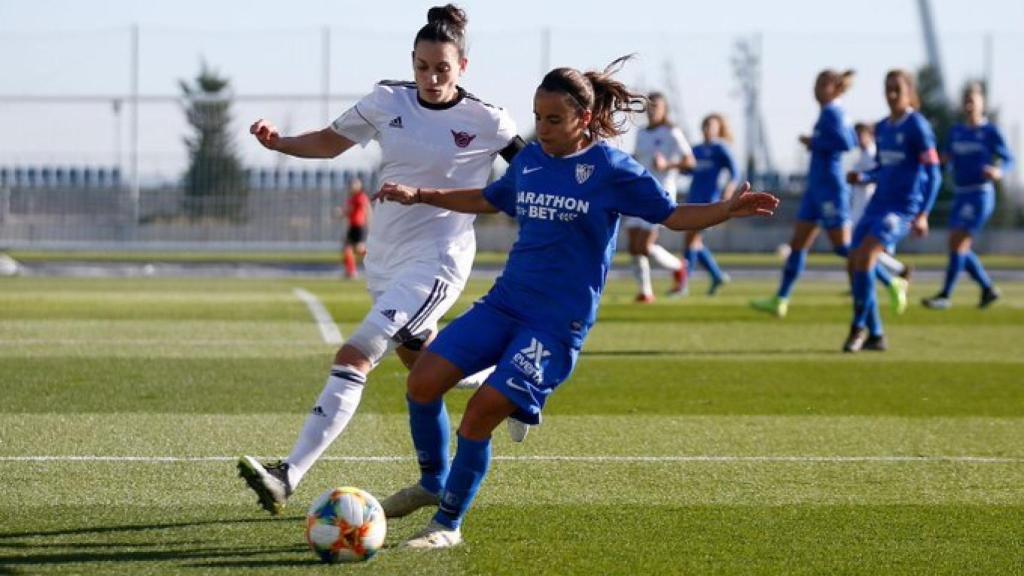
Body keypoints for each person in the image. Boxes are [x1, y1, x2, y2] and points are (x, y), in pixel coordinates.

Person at [373, 56, 779, 548]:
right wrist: (420, 194)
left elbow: (670, 216)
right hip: (505, 304)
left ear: (583, 120)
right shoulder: (529, 161)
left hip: (554, 324)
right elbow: (490, 199)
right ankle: (432, 482)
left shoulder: (611, 169)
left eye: (553, 120)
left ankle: (447, 525)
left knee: (479, 414)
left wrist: (726, 211)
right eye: (538, 117)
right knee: (422, 380)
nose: (541, 129)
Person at [237, 4, 525, 515]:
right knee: (426, 369)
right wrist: (279, 142)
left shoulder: (488, 120)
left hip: (437, 263)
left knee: (355, 355)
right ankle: (510, 385)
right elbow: (330, 143)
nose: (432, 78)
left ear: (463, 68)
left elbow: (530, 175)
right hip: (385, 259)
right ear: (411, 62)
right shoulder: (387, 100)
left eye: (443, 68)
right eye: (423, 66)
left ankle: (288, 474)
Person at [751, 70, 908, 318]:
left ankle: (891, 282)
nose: (817, 89)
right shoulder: (827, 112)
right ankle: (780, 299)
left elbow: (847, 142)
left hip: (830, 189)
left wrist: (814, 143)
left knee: (844, 248)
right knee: (797, 245)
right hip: (816, 188)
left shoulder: (835, 112)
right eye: (816, 83)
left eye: (823, 84)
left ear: (835, 88)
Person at [844, 69, 942, 352]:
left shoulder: (917, 127)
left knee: (866, 258)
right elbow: (883, 168)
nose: (891, 94)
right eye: (888, 88)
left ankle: (857, 328)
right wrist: (862, 178)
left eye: (897, 88)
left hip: (901, 209)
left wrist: (923, 213)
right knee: (853, 264)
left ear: (909, 91)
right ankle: (876, 334)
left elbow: (933, 173)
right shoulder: (884, 127)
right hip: (877, 205)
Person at [921, 83, 1013, 310]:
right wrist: (939, 161)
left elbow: (1009, 159)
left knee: (958, 242)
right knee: (957, 245)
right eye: (966, 101)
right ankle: (987, 288)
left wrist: (999, 171)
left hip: (980, 194)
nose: (970, 105)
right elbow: (948, 156)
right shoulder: (957, 132)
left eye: (973, 101)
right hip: (961, 194)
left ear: (982, 103)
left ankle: (945, 295)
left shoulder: (990, 132)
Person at [626, 92, 694, 302]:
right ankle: (645, 292)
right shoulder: (642, 133)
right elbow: (637, 160)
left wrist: (668, 165)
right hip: (639, 192)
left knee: (645, 246)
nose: (653, 110)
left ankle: (678, 266)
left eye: (657, 106)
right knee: (633, 245)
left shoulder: (672, 132)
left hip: (660, 192)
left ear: (665, 109)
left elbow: (690, 162)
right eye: (650, 106)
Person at [678, 113, 740, 296]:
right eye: (705, 126)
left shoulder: (721, 149)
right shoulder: (695, 150)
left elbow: (735, 173)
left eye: (711, 126)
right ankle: (716, 275)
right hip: (693, 200)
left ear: (718, 129)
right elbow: (689, 172)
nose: (707, 129)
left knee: (691, 240)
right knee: (694, 243)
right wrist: (680, 167)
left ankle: (683, 284)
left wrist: (729, 189)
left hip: (710, 202)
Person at [850, 123, 912, 282]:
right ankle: (896, 273)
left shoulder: (873, 154)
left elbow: (879, 175)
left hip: (870, 206)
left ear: (869, 136)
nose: (858, 140)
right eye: (856, 136)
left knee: (863, 251)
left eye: (861, 136)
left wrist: (861, 178)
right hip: (860, 207)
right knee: (862, 251)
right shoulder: (863, 155)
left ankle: (895, 275)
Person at [338, 177, 370, 279]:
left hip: (359, 226)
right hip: (352, 227)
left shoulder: (361, 197)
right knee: (347, 249)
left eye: (355, 184)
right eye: (352, 184)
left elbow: (367, 211)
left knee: (359, 249)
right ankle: (351, 272)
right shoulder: (352, 198)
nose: (352, 186)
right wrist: (342, 213)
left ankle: (377, 255)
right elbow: (349, 211)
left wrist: (369, 225)